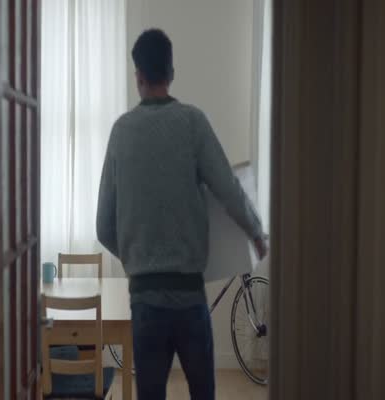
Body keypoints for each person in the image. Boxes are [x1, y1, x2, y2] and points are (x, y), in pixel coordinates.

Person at [96, 28, 268, 400]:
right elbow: (228, 188)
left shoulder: (121, 132)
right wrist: (256, 232)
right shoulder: (193, 122)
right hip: (189, 297)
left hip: (145, 300)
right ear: (171, 73)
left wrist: (138, 259)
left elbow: (103, 226)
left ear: (138, 76)